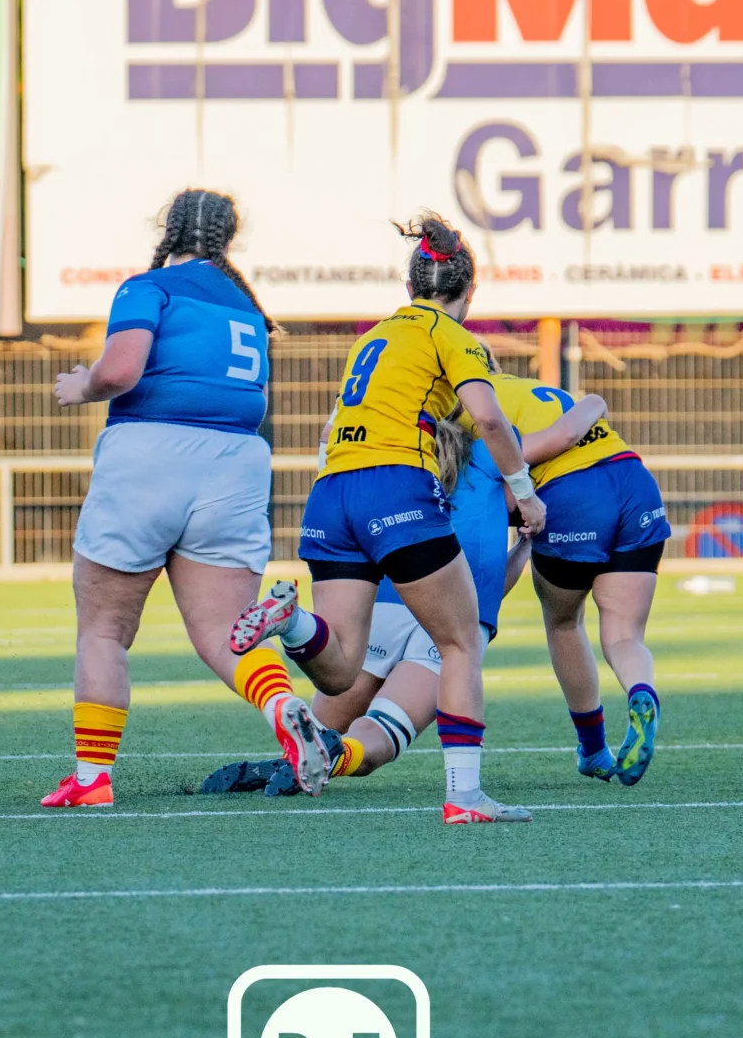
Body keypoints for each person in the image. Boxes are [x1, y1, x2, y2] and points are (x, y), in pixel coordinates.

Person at [229, 214, 549, 824]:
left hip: (331, 491)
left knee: (340, 669)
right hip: (394, 486)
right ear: (469, 291)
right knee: (461, 642)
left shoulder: (374, 336)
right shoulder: (451, 334)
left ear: (409, 286)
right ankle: (464, 797)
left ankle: (292, 622)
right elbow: (487, 418)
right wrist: (524, 493)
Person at [47, 188, 337, 809]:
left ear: (166, 229)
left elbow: (121, 370)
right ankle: (282, 707)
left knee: (104, 631)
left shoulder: (148, 287)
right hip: (236, 462)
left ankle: (92, 779)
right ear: (230, 238)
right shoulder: (248, 307)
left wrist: (83, 385)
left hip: (150, 453)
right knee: (224, 631)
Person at [491, 371, 669, 783]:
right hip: (634, 479)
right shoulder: (535, 389)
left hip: (571, 494)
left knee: (563, 621)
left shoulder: (470, 404)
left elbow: (500, 488)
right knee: (625, 635)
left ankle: (593, 749)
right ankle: (641, 691)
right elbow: (590, 408)